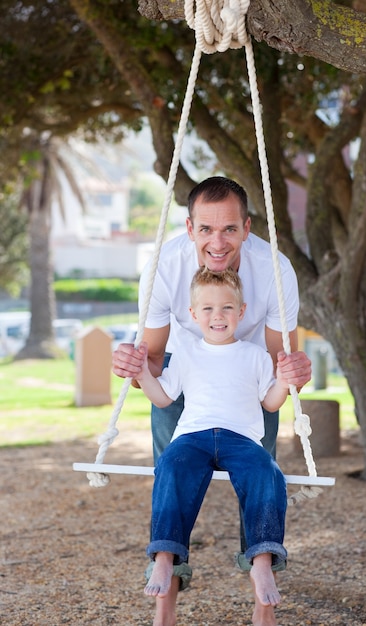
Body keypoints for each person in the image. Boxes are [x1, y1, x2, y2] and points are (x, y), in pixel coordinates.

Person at [112, 176, 311, 626]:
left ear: (247, 227)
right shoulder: (165, 266)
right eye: (206, 229)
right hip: (187, 378)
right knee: (172, 471)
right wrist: (133, 368)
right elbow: (156, 363)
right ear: (189, 228)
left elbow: (282, 365)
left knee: (264, 475)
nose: (217, 242)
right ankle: (165, 600)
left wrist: (294, 375)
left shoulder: (274, 269)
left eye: (229, 230)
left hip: (250, 384)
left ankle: (264, 596)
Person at [137, 267, 295, 624]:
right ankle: (164, 557)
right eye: (207, 309)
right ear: (193, 316)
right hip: (193, 436)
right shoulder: (188, 353)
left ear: (241, 312)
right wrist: (142, 374)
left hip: (241, 438)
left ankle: (262, 560)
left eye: (226, 308)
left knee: (267, 473)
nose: (217, 316)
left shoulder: (254, 355)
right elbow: (163, 398)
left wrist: (284, 381)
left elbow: (270, 403)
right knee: (170, 467)